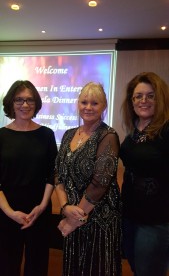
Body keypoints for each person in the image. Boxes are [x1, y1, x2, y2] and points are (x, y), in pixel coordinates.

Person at [55, 82, 122, 276]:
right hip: (72, 215)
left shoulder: (108, 135)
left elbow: (100, 183)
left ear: (104, 106)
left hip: (99, 221)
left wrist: (73, 221)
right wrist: (65, 208)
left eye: (95, 103)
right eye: (84, 102)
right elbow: (58, 175)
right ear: (78, 104)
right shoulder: (68, 135)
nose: (88, 107)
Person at [0, 80, 58, 276]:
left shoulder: (47, 135)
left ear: (36, 103)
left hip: (39, 211)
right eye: (19, 100)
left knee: (37, 265)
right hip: (6, 212)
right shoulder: (1, 136)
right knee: (7, 265)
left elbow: (52, 174)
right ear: (11, 103)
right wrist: (10, 212)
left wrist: (42, 207)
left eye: (29, 100)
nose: (25, 105)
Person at [120, 72, 169, 276]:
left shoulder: (166, 131)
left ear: (160, 99)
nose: (143, 101)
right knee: (136, 266)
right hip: (130, 214)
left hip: (156, 220)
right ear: (131, 101)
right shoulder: (135, 131)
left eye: (150, 95)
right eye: (138, 96)